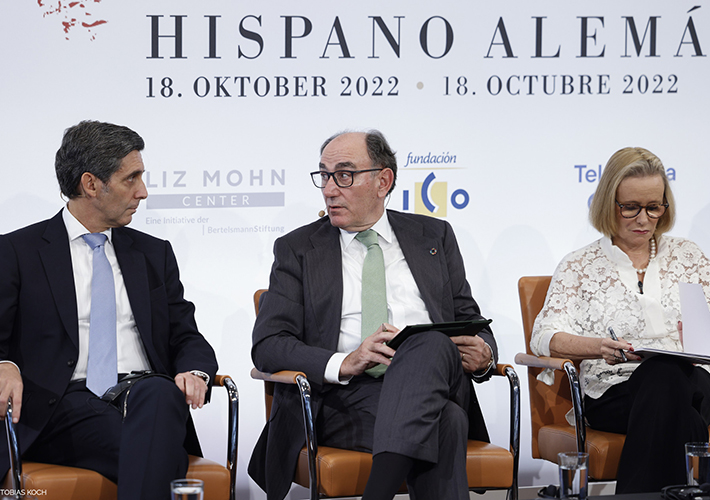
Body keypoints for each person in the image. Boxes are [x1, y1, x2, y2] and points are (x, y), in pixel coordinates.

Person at [248, 130, 497, 500]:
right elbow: (268, 344)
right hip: (344, 400)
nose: (330, 189)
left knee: (428, 344)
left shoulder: (434, 236)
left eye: (344, 175)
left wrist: (485, 356)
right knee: (447, 422)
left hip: (434, 383)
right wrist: (345, 361)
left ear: (383, 181)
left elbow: (468, 318)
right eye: (324, 175)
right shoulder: (298, 249)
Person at [0, 120, 218, 500]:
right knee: (159, 451)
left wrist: (195, 370)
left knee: (159, 394)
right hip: (61, 405)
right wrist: (5, 364)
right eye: (131, 179)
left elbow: (185, 334)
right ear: (91, 184)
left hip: (145, 396)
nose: (143, 192)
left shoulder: (153, 254)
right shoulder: (18, 252)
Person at [530, 147, 710, 493]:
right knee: (679, 405)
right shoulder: (578, 266)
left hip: (697, 383)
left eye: (654, 207)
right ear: (608, 204)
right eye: (630, 208)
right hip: (614, 391)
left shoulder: (689, 256)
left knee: (671, 373)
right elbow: (544, 336)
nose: (643, 220)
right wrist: (598, 347)